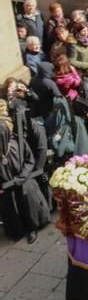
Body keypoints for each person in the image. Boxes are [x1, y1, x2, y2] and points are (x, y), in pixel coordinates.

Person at [0, 100, 50, 244]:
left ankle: (32, 228)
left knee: (28, 206)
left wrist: (21, 177)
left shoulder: (17, 142)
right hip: (7, 186)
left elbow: (30, 160)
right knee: (12, 209)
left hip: (23, 181)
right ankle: (17, 231)